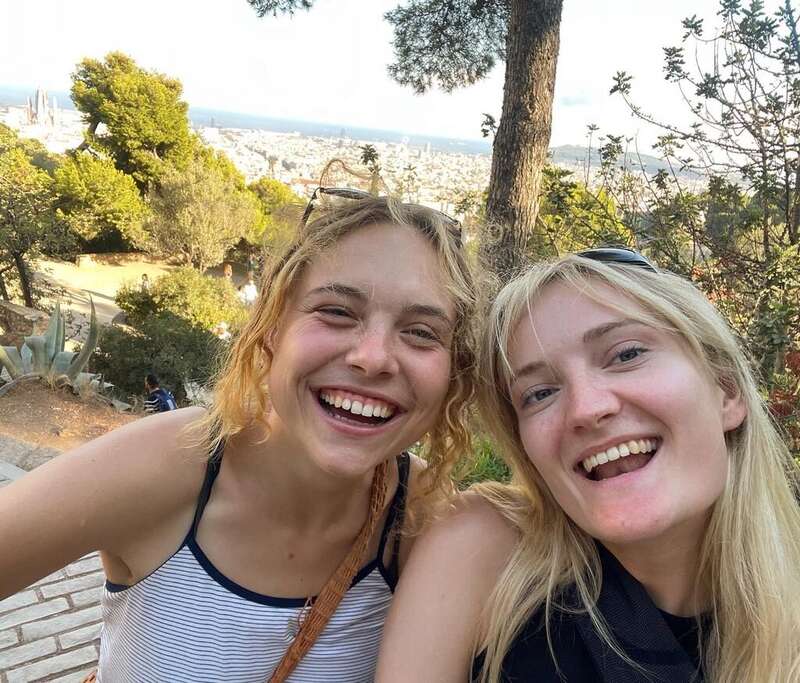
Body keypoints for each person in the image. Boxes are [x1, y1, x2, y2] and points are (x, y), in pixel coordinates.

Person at [0, 192, 476, 682]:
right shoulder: (171, 462)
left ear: (455, 370)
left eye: (422, 332)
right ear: (273, 326)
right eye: (336, 311)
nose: (373, 358)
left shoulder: (426, 518)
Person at [376, 249, 800, 682]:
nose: (586, 408)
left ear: (727, 391)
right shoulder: (486, 554)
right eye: (539, 394)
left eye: (626, 354)